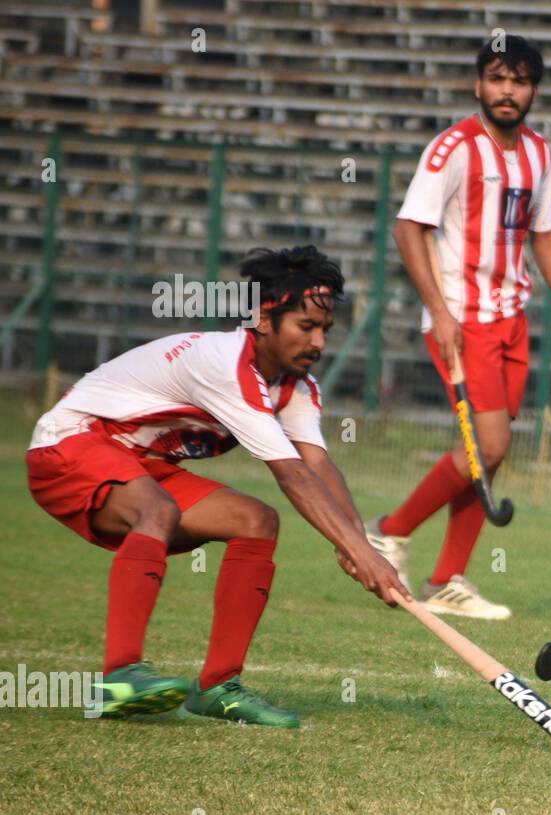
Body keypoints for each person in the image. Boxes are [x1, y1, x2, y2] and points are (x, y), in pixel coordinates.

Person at [26, 246, 409, 728]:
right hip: (72, 443)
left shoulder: (296, 385)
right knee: (158, 510)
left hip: (140, 463)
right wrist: (361, 550)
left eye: (325, 330)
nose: (319, 343)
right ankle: (118, 677)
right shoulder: (225, 364)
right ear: (265, 319)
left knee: (255, 521)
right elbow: (289, 473)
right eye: (305, 327)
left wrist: (359, 546)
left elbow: (318, 465)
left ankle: (217, 688)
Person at [365, 34, 551, 620]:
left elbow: (543, 233)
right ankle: (389, 530)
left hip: (511, 319)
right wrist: (440, 312)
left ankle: (448, 580)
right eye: (497, 78)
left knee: (487, 455)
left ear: (533, 90)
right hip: (461, 319)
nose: (507, 91)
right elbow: (408, 228)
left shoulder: (540, 153)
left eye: (518, 81)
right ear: (478, 85)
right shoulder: (453, 149)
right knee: (487, 445)